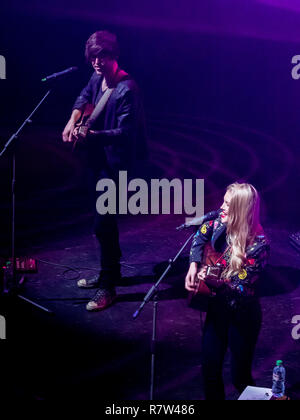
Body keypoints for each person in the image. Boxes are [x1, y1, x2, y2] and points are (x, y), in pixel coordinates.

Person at [62, 30, 147, 311]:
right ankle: (110, 272)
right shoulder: (97, 78)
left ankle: (108, 287)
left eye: (102, 56)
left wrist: (91, 135)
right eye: (93, 57)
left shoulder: (127, 89)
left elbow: (126, 133)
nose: (97, 62)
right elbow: (84, 95)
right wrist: (72, 120)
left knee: (103, 223)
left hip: (117, 166)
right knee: (104, 224)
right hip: (100, 162)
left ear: (114, 56)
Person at [185, 182, 269, 400]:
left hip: (242, 317)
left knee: (240, 378)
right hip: (217, 311)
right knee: (210, 370)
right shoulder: (219, 224)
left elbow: (240, 288)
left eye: (228, 204)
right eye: (223, 201)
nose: (221, 207)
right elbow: (199, 237)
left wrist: (214, 281)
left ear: (242, 211)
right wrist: (194, 265)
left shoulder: (258, 246)